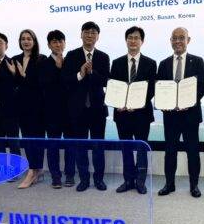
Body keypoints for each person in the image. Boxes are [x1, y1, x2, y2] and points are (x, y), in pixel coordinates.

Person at [156, 27, 204, 198]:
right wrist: (162, 102)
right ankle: (169, 184)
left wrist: (189, 102)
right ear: (171, 41)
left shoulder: (197, 61)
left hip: (190, 115)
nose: (178, 41)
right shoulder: (163, 63)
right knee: (170, 151)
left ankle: (194, 185)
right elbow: (159, 87)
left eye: (181, 38)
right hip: (170, 116)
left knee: (192, 152)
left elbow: (202, 86)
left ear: (188, 40)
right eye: (174, 38)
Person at [63, 21, 110, 192]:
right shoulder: (72, 55)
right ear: (81, 34)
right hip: (78, 110)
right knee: (80, 147)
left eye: (93, 33)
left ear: (97, 37)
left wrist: (92, 73)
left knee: (98, 146)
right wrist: (80, 74)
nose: (90, 35)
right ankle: (84, 179)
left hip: (97, 110)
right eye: (87, 32)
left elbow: (105, 81)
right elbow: (66, 80)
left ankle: (99, 179)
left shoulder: (103, 57)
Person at [109, 26, 156, 194]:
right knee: (126, 149)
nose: (133, 41)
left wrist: (136, 103)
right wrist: (119, 103)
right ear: (126, 40)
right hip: (122, 114)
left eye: (136, 38)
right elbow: (113, 87)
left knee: (142, 149)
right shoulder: (117, 63)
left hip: (142, 114)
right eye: (130, 37)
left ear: (142, 41)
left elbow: (151, 89)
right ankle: (128, 180)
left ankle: (140, 182)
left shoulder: (151, 63)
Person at [38, 30, 76, 189]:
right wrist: (58, 68)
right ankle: (55, 176)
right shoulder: (43, 63)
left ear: (65, 43)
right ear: (49, 45)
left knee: (70, 145)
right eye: (54, 41)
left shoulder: (71, 61)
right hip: (52, 112)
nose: (58, 44)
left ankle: (70, 175)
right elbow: (45, 84)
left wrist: (63, 67)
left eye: (60, 41)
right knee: (53, 145)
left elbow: (73, 84)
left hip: (69, 111)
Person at [11, 29, 47, 189]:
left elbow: (41, 83)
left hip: (38, 106)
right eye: (23, 39)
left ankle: (34, 170)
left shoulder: (41, 59)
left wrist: (23, 75)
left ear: (34, 41)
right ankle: (34, 169)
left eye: (29, 39)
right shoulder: (14, 59)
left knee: (37, 139)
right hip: (21, 105)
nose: (26, 41)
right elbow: (13, 84)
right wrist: (16, 75)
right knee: (26, 139)